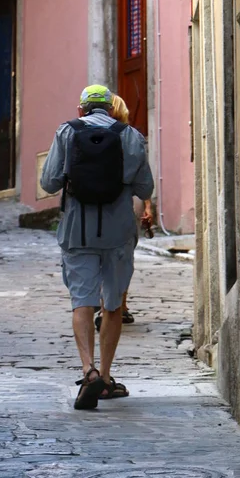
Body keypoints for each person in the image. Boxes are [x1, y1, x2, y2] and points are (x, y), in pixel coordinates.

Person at [40, 84, 154, 410]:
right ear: (111, 108)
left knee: (82, 302)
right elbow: (145, 185)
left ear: (81, 110)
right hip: (118, 232)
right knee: (113, 304)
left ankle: (87, 370)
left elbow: (49, 182)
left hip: (78, 230)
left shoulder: (66, 132)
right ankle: (105, 377)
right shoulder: (130, 135)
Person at [93, 93, 153, 331]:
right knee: (123, 256)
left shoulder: (87, 135)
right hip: (123, 206)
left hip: (93, 208)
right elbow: (143, 180)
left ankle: (102, 304)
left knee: (98, 256)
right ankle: (119, 305)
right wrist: (147, 206)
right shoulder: (132, 137)